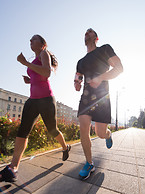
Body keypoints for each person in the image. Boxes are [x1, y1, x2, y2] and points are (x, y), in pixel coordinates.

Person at [0, 34, 71, 183]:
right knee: (22, 132)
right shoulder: (34, 61)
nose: (30, 41)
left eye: (33, 39)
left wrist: (25, 63)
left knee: (52, 130)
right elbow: (38, 77)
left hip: (46, 99)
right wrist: (29, 80)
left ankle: (65, 147)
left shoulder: (44, 54)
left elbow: (46, 73)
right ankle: (13, 168)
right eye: (30, 40)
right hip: (33, 100)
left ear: (42, 44)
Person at [74, 28, 123, 180]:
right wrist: (76, 84)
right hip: (86, 98)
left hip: (102, 97)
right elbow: (77, 79)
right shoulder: (80, 62)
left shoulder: (104, 49)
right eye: (85, 33)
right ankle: (89, 163)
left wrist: (101, 78)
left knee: (99, 133)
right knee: (83, 126)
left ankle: (108, 135)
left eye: (90, 32)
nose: (86, 34)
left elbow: (119, 68)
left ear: (96, 37)